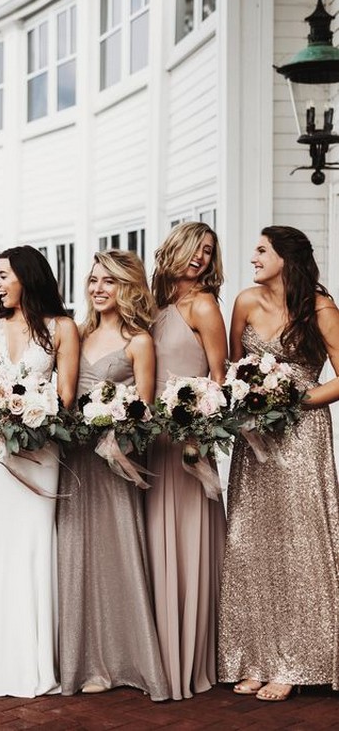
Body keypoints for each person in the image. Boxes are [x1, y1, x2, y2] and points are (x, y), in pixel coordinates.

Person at [218, 226, 339, 701]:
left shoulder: (321, 309)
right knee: (251, 542)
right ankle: (254, 656)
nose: (253, 257)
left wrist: (293, 400)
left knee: (297, 544)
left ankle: (296, 660)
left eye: (262, 250)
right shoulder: (246, 302)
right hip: (255, 440)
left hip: (302, 437)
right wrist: (248, 400)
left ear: (286, 258)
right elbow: (232, 370)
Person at [57, 250, 169, 700]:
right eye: (93, 281)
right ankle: (83, 661)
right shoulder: (78, 335)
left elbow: (143, 410)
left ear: (128, 288)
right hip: (74, 459)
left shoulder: (138, 341)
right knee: (74, 554)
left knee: (118, 552)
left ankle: (126, 659)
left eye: (110, 282)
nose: (98, 289)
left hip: (111, 462)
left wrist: (115, 430)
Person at [0, 245, 79, 697]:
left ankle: (34, 663)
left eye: (3, 275)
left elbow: (68, 395)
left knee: (35, 541)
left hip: (40, 446)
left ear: (27, 277)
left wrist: (34, 412)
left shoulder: (63, 328)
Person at [145, 222, 227, 700]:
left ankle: (192, 658)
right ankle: (159, 654)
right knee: (156, 542)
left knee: (186, 542)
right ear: (174, 248)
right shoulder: (156, 307)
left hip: (190, 444)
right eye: (194, 246)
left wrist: (196, 430)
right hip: (153, 442)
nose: (200, 256)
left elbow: (219, 379)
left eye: (208, 250)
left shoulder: (204, 305)